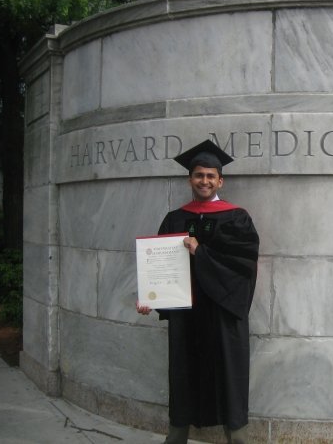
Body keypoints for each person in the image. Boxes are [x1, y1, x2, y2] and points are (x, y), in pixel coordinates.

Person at [136, 140, 259, 444]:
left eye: (210, 176)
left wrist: (200, 253)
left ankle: (238, 437)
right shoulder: (175, 219)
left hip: (223, 314)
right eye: (198, 175)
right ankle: (177, 435)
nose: (204, 180)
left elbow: (243, 266)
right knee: (183, 374)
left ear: (220, 180)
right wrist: (150, 298)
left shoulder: (237, 218)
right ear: (190, 179)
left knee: (229, 376)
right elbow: (160, 267)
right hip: (186, 315)